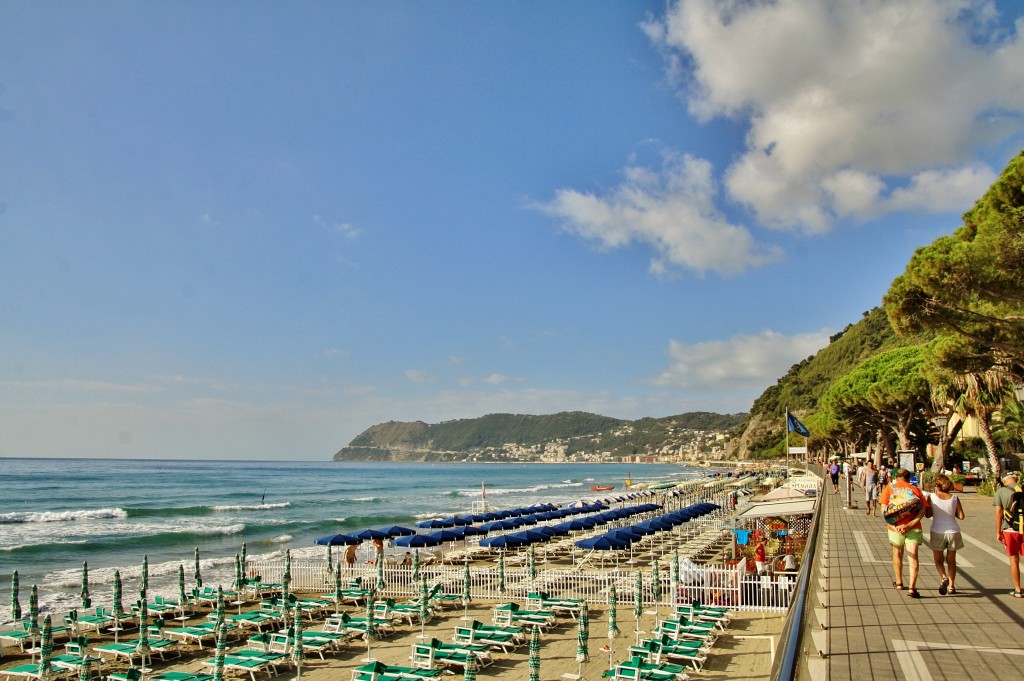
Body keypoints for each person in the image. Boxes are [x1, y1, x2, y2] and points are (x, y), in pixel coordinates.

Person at [879, 468, 928, 598]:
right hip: (913, 527)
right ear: (909, 477)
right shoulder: (915, 489)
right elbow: (923, 510)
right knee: (913, 557)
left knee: (897, 554)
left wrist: (895, 526)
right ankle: (912, 588)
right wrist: (910, 524)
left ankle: (899, 582)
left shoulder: (889, 489)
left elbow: (883, 510)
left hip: (895, 528)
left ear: (896, 476)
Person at [927, 473, 965, 595]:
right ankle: (952, 586)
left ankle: (944, 577)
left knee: (938, 560)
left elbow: (928, 514)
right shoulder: (954, 498)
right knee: (951, 561)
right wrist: (951, 512)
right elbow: (961, 516)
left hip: (937, 531)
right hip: (953, 531)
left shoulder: (931, 497)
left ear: (936, 486)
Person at [993, 472, 1024, 598]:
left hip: (1010, 530)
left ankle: (1018, 590)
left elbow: (999, 513)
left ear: (1004, 480)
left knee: (1014, 559)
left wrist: (998, 531)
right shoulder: (1023, 488)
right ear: (1016, 479)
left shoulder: (1001, 491)